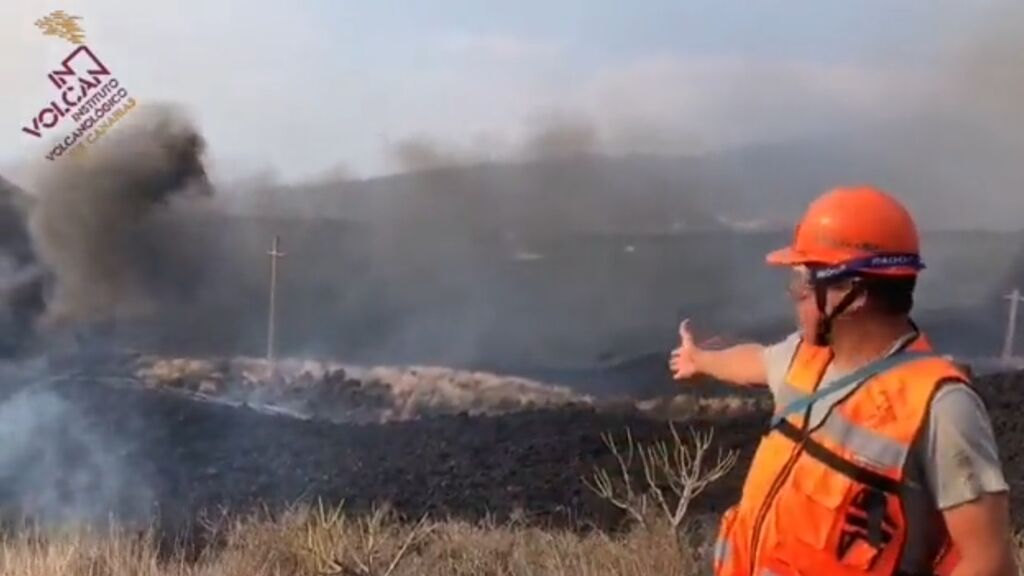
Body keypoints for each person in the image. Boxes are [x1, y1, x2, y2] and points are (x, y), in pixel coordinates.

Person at [669, 186, 1016, 576]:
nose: (792, 296)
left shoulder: (940, 408)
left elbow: (990, 562)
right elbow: (756, 360)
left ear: (852, 292)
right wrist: (700, 359)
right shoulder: (806, 359)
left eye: (803, 283)